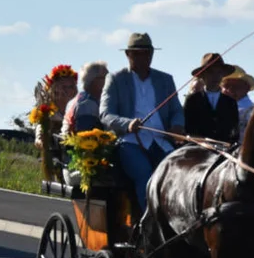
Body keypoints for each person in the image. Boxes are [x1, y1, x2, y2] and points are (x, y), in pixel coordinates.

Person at [100, 33, 185, 213]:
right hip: (130, 142)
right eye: (137, 54)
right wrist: (127, 124)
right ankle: (151, 222)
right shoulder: (116, 79)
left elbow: (177, 110)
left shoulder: (165, 80)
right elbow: (105, 114)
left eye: (146, 53)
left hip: (161, 141)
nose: (143, 57)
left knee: (178, 176)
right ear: (128, 55)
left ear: (152, 54)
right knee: (145, 175)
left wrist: (177, 125)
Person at [183, 53, 240, 145]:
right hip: (196, 148)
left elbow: (234, 130)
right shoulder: (192, 100)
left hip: (224, 150)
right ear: (203, 75)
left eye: (219, 72)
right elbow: (187, 128)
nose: (215, 76)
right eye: (211, 72)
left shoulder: (230, 102)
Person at [61, 61, 108, 139]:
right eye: (106, 77)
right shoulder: (87, 104)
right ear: (94, 80)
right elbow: (86, 138)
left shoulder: (80, 99)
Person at [220, 65, 254, 142]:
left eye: (235, 86)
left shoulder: (251, 111)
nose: (230, 90)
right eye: (226, 86)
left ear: (246, 88)